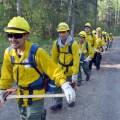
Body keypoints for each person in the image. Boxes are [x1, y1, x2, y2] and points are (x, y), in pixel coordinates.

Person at [0, 16, 76, 120]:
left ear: (26, 35)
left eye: (17, 35)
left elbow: (53, 70)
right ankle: (41, 114)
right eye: (10, 35)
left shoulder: (37, 52)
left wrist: (65, 86)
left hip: (36, 96)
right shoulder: (8, 53)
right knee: (24, 117)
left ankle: (39, 113)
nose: (13, 39)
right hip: (20, 96)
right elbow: (6, 75)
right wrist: (2, 89)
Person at [50, 22, 80, 111]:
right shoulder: (56, 44)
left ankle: (72, 100)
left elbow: (76, 59)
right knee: (57, 86)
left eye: (64, 32)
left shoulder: (73, 44)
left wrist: (75, 73)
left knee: (71, 86)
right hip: (60, 69)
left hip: (70, 70)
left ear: (68, 32)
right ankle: (58, 103)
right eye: (60, 32)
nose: (62, 34)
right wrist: (53, 71)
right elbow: (54, 59)